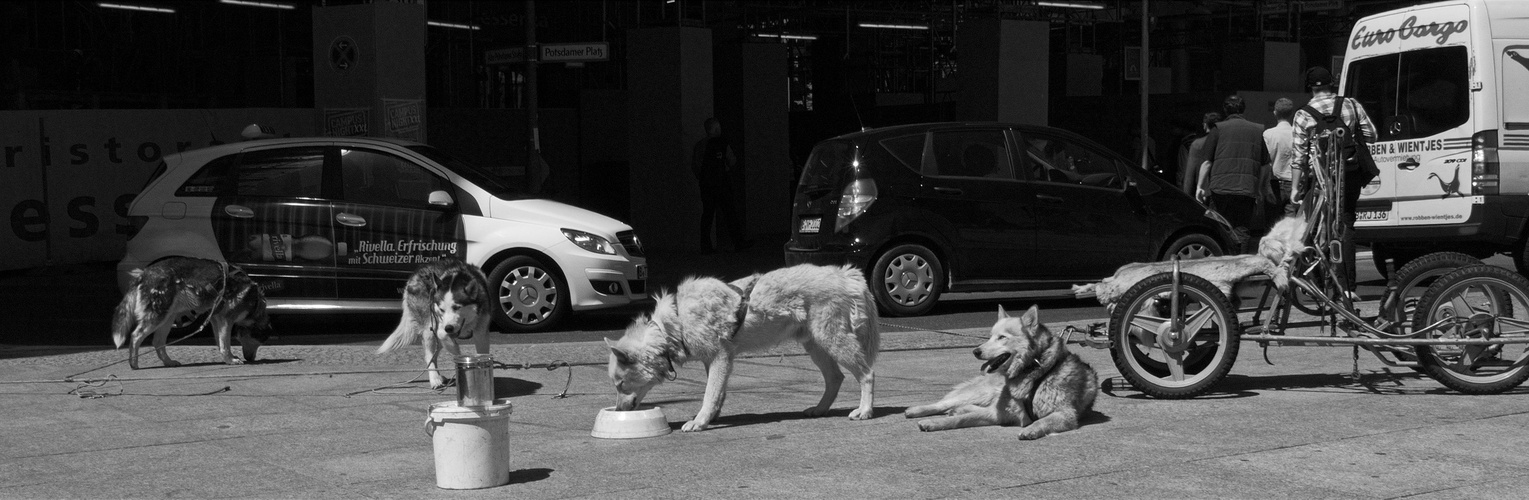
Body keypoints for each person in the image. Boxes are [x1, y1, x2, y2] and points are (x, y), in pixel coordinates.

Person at [1289, 66, 1377, 292]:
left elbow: (1299, 156)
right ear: (1332, 83)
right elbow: (1371, 135)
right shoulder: (1351, 104)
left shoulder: (1303, 114)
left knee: (1317, 225)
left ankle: (1318, 282)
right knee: (1345, 223)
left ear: (1310, 87)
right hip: (1350, 174)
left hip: (1321, 178)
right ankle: (1347, 286)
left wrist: (1295, 188)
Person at [1196, 96, 1270, 253]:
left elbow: (1207, 162)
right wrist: (1260, 187)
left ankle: (1221, 259)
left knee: (1218, 226)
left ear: (1225, 110)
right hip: (1246, 189)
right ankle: (1239, 262)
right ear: (1243, 110)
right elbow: (1265, 165)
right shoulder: (1257, 130)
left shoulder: (1218, 129)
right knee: (1242, 230)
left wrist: (1200, 186)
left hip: (1220, 188)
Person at [691, 117, 751, 253]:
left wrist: (702, 178)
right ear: (717, 129)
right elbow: (732, 161)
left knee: (707, 214)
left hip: (706, 184)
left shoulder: (700, 145)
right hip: (722, 182)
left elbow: (695, 166)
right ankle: (738, 242)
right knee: (730, 212)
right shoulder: (722, 143)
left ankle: (706, 246)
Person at [1263, 97, 1297, 221]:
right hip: (1293, 183)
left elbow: (1265, 161)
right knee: (1291, 227)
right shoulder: (1298, 134)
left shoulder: (1268, 134)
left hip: (1273, 183)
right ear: (1292, 113)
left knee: (1272, 226)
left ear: (1275, 113)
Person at [1179, 112, 1221, 196]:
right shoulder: (1224, 142)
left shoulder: (1197, 144)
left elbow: (1189, 175)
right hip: (1222, 188)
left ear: (1205, 125)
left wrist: (1186, 195)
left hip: (1203, 191)